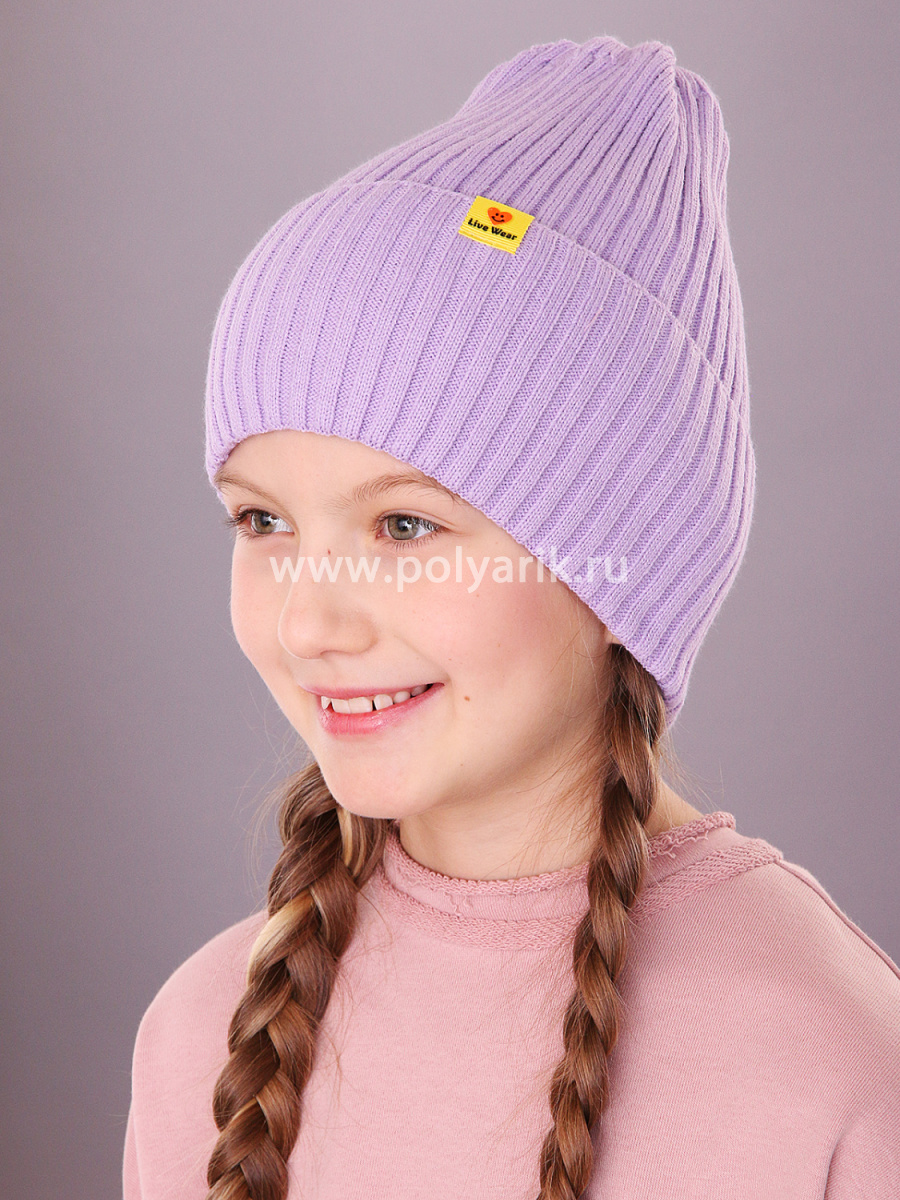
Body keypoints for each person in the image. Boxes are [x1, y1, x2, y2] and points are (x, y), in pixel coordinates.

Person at [123, 36, 900, 1200]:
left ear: (623, 566)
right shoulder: (208, 1040)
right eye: (262, 521)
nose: (310, 625)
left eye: (405, 526)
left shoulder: (833, 1065)